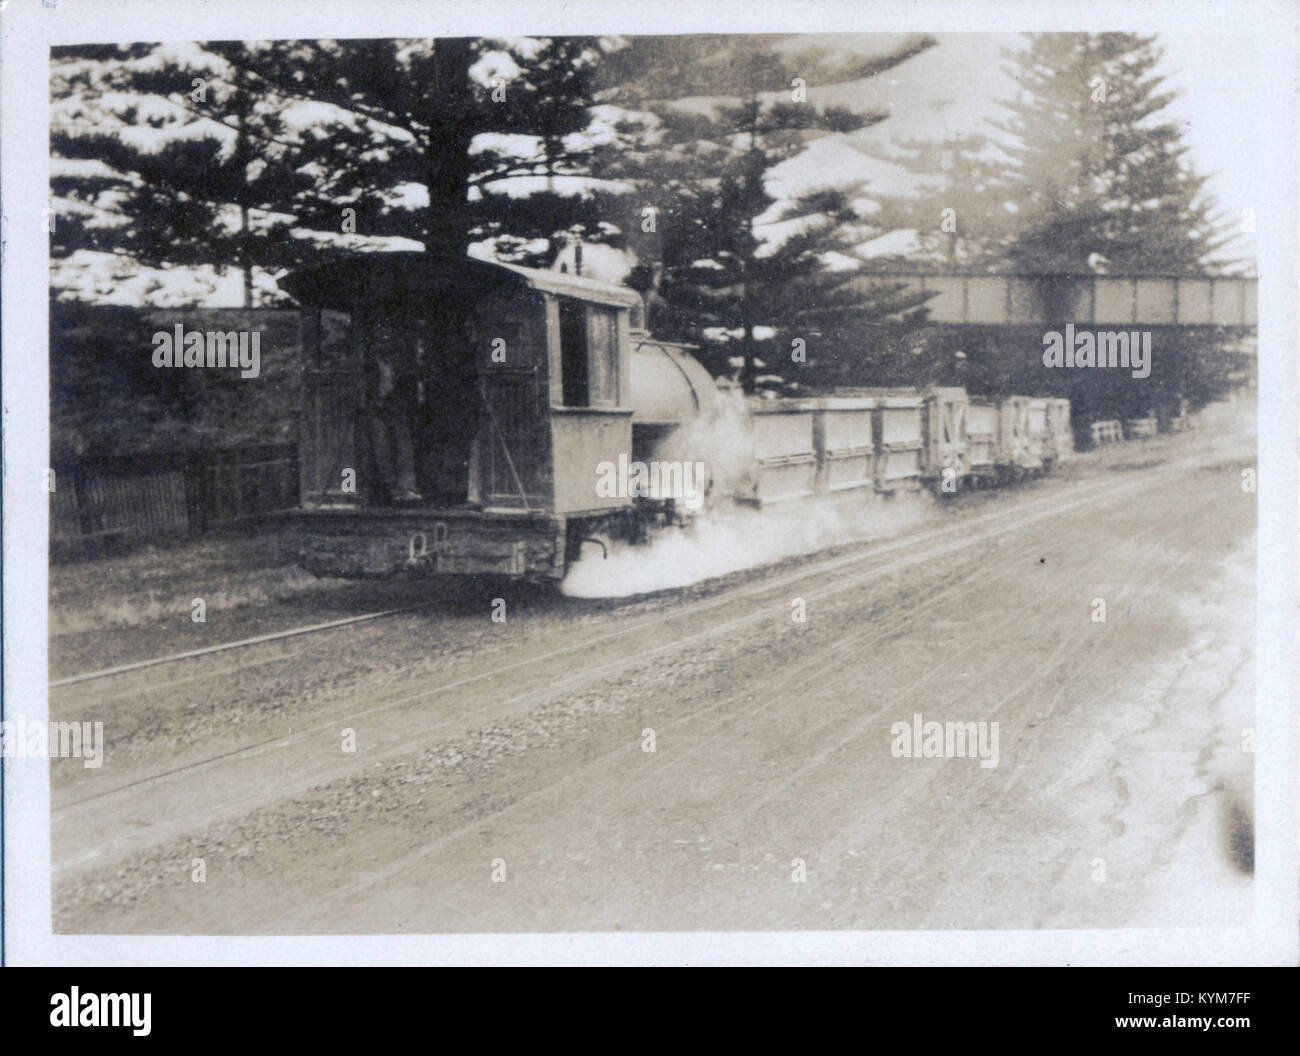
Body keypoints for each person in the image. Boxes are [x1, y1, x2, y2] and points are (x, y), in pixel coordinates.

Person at [364, 324, 422, 504]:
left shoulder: (398, 362)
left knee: (403, 446)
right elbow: (364, 384)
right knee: (381, 448)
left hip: (395, 406)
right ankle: (391, 490)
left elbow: (408, 381)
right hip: (376, 408)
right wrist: (373, 401)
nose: (384, 342)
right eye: (380, 338)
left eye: (387, 338)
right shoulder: (368, 362)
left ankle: (408, 489)